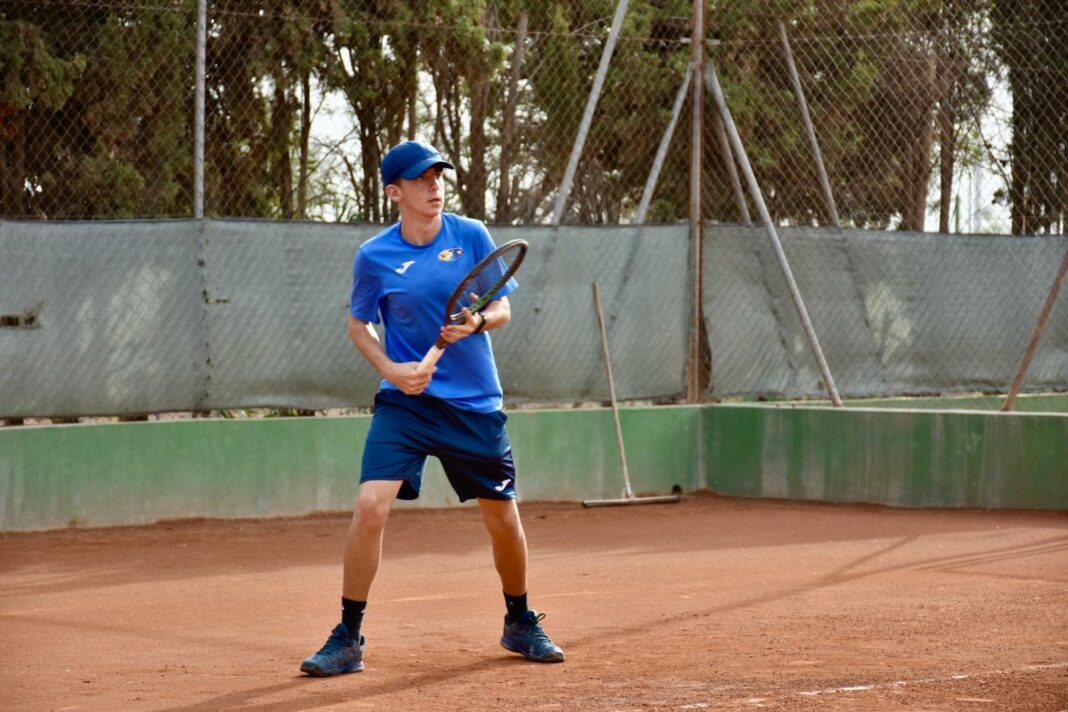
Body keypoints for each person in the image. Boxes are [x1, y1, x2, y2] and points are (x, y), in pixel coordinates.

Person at [300, 140, 565, 676]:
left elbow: (502, 307)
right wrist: (392, 371)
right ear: (395, 192)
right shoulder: (374, 255)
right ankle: (348, 637)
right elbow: (359, 324)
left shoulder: (470, 235)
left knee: (503, 520)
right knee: (370, 506)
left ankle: (519, 622)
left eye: (438, 176)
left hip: (473, 402)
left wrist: (476, 323)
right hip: (406, 404)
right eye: (421, 180)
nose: (434, 186)